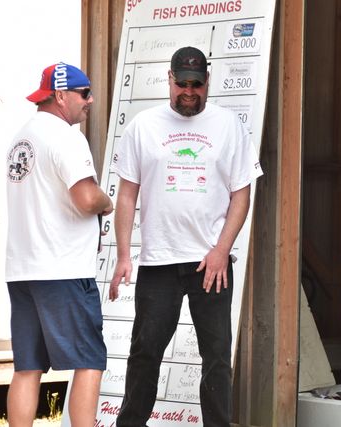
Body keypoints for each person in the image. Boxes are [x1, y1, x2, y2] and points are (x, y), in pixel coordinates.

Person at [108, 46, 263, 427]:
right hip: (159, 260)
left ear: (208, 81)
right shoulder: (143, 126)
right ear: (169, 79)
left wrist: (221, 250)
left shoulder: (229, 125)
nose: (189, 92)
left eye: (196, 84)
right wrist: (124, 254)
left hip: (211, 263)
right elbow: (126, 195)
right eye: (182, 84)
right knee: (145, 352)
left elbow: (241, 194)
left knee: (216, 357)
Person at [5, 62, 113, 426]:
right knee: (90, 360)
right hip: (63, 269)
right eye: (84, 94)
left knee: (27, 367)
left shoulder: (21, 137)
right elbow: (86, 198)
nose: (90, 100)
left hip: (22, 270)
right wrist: (106, 201)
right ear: (61, 96)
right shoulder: (66, 137)